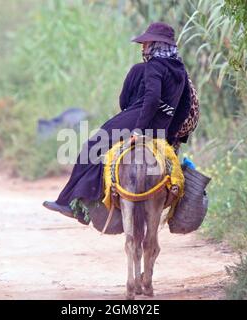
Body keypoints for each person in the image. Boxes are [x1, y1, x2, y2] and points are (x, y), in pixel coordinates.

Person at [43, 22, 192, 224]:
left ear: (156, 45)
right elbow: (185, 107)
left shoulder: (153, 66)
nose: (143, 47)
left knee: (93, 146)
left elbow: (151, 98)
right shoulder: (180, 70)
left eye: (146, 43)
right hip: (160, 130)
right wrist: (171, 135)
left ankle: (71, 203)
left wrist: (139, 130)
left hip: (138, 120)